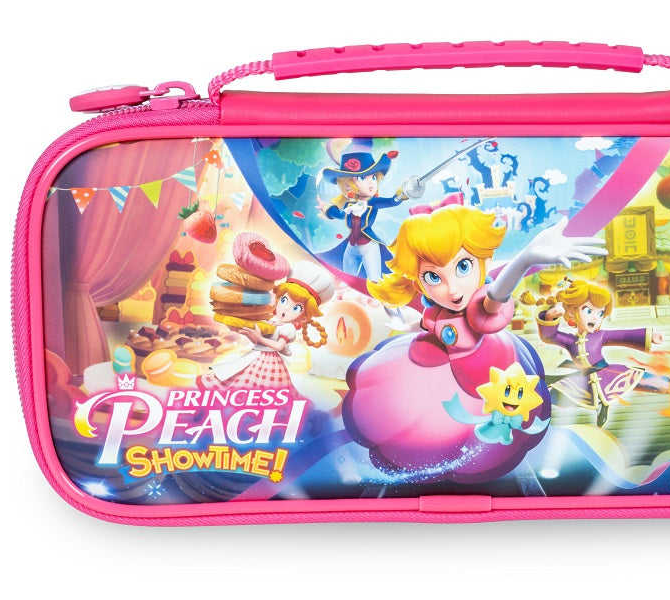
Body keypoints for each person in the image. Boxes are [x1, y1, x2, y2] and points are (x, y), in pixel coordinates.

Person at [342, 206, 606, 483]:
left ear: (486, 261)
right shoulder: (439, 311)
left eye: (463, 267)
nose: (453, 289)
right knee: (405, 419)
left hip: (485, 379)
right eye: (433, 277)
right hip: (438, 375)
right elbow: (432, 323)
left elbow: (496, 295)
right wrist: (408, 327)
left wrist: (525, 259)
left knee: (476, 437)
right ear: (419, 282)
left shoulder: (481, 308)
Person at [524, 280, 662, 427]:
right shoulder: (569, 341)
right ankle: (529, 415)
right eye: (589, 311)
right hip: (583, 378)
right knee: (553, 395)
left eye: (600, 313)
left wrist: (650, 336)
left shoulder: (600, 336)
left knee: (639, 379)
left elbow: (623, 335)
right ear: (571, 312)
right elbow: (549, 336)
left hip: (606, 372)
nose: (595, 318)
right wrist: (550, 316)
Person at [200, 261, 335, 393]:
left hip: (269, 362)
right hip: (256, 355)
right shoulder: (271, 322)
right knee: (240, 378)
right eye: (284, 300)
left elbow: (278, 346)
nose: (285, 309)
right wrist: (248, 333)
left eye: (296, 308)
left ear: (304, 317)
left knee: (260, 386)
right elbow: (258, 342)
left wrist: (259, 337)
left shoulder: (288, 329)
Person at [316, 139, 414, 282]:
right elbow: (340, 214)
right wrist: (326, 208)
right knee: (348, 279)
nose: (371, 183)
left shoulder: (373, 202)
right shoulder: (349, 204)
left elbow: (391, 201)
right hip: (352, 246)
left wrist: (402, 194)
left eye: (373, 177)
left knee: (375, 281)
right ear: (347, 185)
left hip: (369, 247)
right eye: (362, 178)